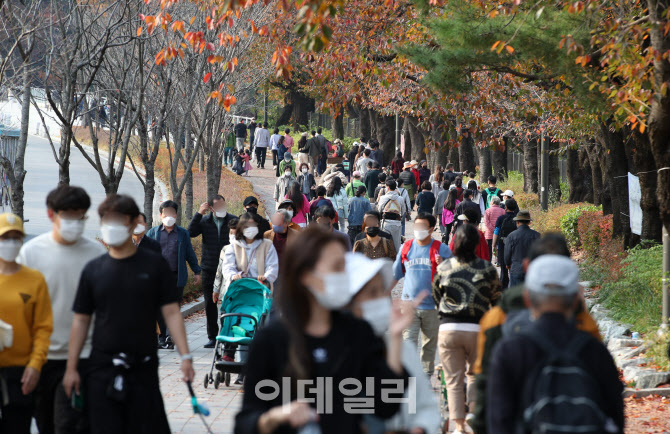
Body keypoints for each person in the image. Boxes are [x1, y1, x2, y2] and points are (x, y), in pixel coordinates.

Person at [234, 227, 410, 434]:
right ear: (307, 276)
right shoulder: (271, 340)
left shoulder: (358, 333)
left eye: (345, 267)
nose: (345, 276)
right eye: (337, 268)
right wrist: (276, 416)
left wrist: (396, 339)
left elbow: (386, 407)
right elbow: (245, 423)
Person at [63, 194, 195, 433]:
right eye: (107, 220)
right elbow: (81, 320)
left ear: (134, 222)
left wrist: (185, 357)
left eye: (119, 220)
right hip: (102, 365)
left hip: (143, 365)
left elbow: (172, 312)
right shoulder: (94, 269)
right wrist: (72, 368)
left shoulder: (154, 266)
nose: (112, 226)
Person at [470, 234, 602, 434]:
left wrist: (481, 425)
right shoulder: (585, 324)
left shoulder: (497, 318)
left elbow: (485, 381)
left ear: (526, 266)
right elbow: (605, 393)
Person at [486, 255, 624, 434]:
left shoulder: (510, 350)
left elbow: (499, 420)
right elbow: (615, 418)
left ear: (527, 298)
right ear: (575, 300)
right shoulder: (595, 350)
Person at [17, 185, 107, 434]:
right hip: (41, 358)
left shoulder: (96, 254)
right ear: (51, 215)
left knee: (71, 425)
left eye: (80, 216)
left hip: (85, 357)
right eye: (68, 215)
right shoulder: (31, 254)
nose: (75, 222)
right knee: (46, 423)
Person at [345, 253, 441, 434]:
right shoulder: (330, 352)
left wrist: (420, 428)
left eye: (382, 291)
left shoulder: (402, 349)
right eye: (371, 293)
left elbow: (427, 408)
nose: (381, 299)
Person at [433, 224, 501, 434]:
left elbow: (437, 296)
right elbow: (497, 299)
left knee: (453, 378)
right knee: (474, 374)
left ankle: (459, 426)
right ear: (477, 244)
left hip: (448, 328)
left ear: (456, 242)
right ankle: (473, 414)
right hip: (477, 328)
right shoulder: (487, 268)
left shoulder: (444, 267)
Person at [0, 213, 53, 433]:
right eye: (5, 237)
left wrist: (35, 365)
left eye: (16, 237)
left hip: (22, 373)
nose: (11, 243)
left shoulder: (35, 279)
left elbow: (43, 328)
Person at [221, 213, 279, 382]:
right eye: (246, 226)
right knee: (235, 322)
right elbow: (228, 267)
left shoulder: (267, 245)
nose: (250, 229)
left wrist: (266, 277)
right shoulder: (233, 246)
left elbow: (273, 267)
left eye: (253, 225)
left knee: (255, 328)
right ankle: (230, 355)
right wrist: (233, 276)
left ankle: (248, 369)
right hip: (239, 293)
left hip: (260, 294)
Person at [393, 213, 452, 375]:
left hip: (432, 306)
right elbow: (396, 274)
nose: (418, 229)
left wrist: (444, 264)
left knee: (428, 345)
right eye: (416, 226)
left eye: (422, 227)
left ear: (431, 229)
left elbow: (454, 275)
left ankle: (426, 376)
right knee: (409, 342)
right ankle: (409, 375)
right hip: (409, 305)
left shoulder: (442, 249)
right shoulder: (406, 247)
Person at [146, 200, 202, 349]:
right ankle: (161, 337)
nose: (169, 216)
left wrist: (197, 271)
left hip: (176, 276)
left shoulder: (183, 234)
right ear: (161, 215)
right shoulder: (153, 233)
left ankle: (171, 337)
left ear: (176, 215)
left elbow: (190, 254)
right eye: (166, 213)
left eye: (172, 213)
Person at [188, 195, 236, 348]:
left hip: (228, 268)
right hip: (209, 267)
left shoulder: (233, 220)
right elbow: (191, 232)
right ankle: (212, 336)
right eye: (218, 205)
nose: (221, 207)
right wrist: (199, 213)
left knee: (229, 302)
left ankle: (227, 334)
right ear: (211, 207)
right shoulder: (205, 221)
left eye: (223, 204)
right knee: (210, 304)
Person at [503, 210, 541, 287]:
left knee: (515, 296)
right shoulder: (537, 236)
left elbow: (507, 254)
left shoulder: (511, 236)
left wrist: (508, 264)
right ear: (529, 222)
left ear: (517, 222)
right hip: (532, 270)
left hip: (516, 269)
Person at [492, 199, 518, 289]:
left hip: (502, 245)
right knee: (513, 266)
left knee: (503, 268)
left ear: (505, 207)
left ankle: (503, 287)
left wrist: (493, 245)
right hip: (515, 246)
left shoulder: (501, 218)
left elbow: (496, 231)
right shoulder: (517, 219)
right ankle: (513, 286)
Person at [377, 179, 407, 250]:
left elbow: (379, 210)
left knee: (385, 245)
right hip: (397, 223)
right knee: (397, 245)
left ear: (388, 188)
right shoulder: (400, 199)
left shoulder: (383, 198)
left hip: (385, 223)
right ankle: (396, 259)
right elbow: (403, 211)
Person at [484, 196, 506, 261]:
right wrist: (497, 230)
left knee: (489, 250)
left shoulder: (488, 210)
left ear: (492, 202)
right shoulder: (503, 211)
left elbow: (486, 222)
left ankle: (489, 263)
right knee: (499, 248)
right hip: (500, 233)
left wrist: (493, 230)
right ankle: (498, 261)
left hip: (489, 234)